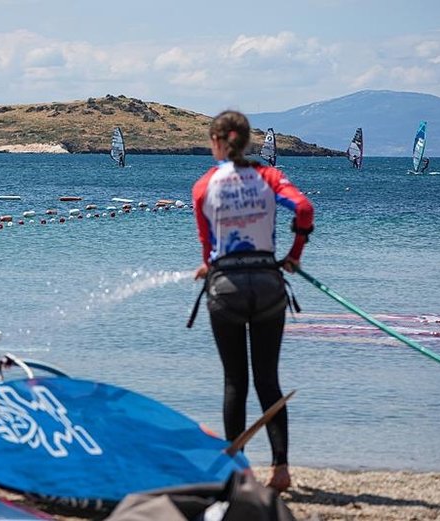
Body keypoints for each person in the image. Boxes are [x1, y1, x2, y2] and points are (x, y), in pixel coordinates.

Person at [190, 110, 314, 493]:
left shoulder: (203, 186)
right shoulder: (269, 177)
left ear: (216, 141)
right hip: (267, 285)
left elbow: (209, 248)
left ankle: (239, 472)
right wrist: (295, 253)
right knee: (267, 379)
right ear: (246, 142)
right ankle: (280, 469)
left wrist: (206, 265)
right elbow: (305, 209)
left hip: (226, 288)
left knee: (234, 381)